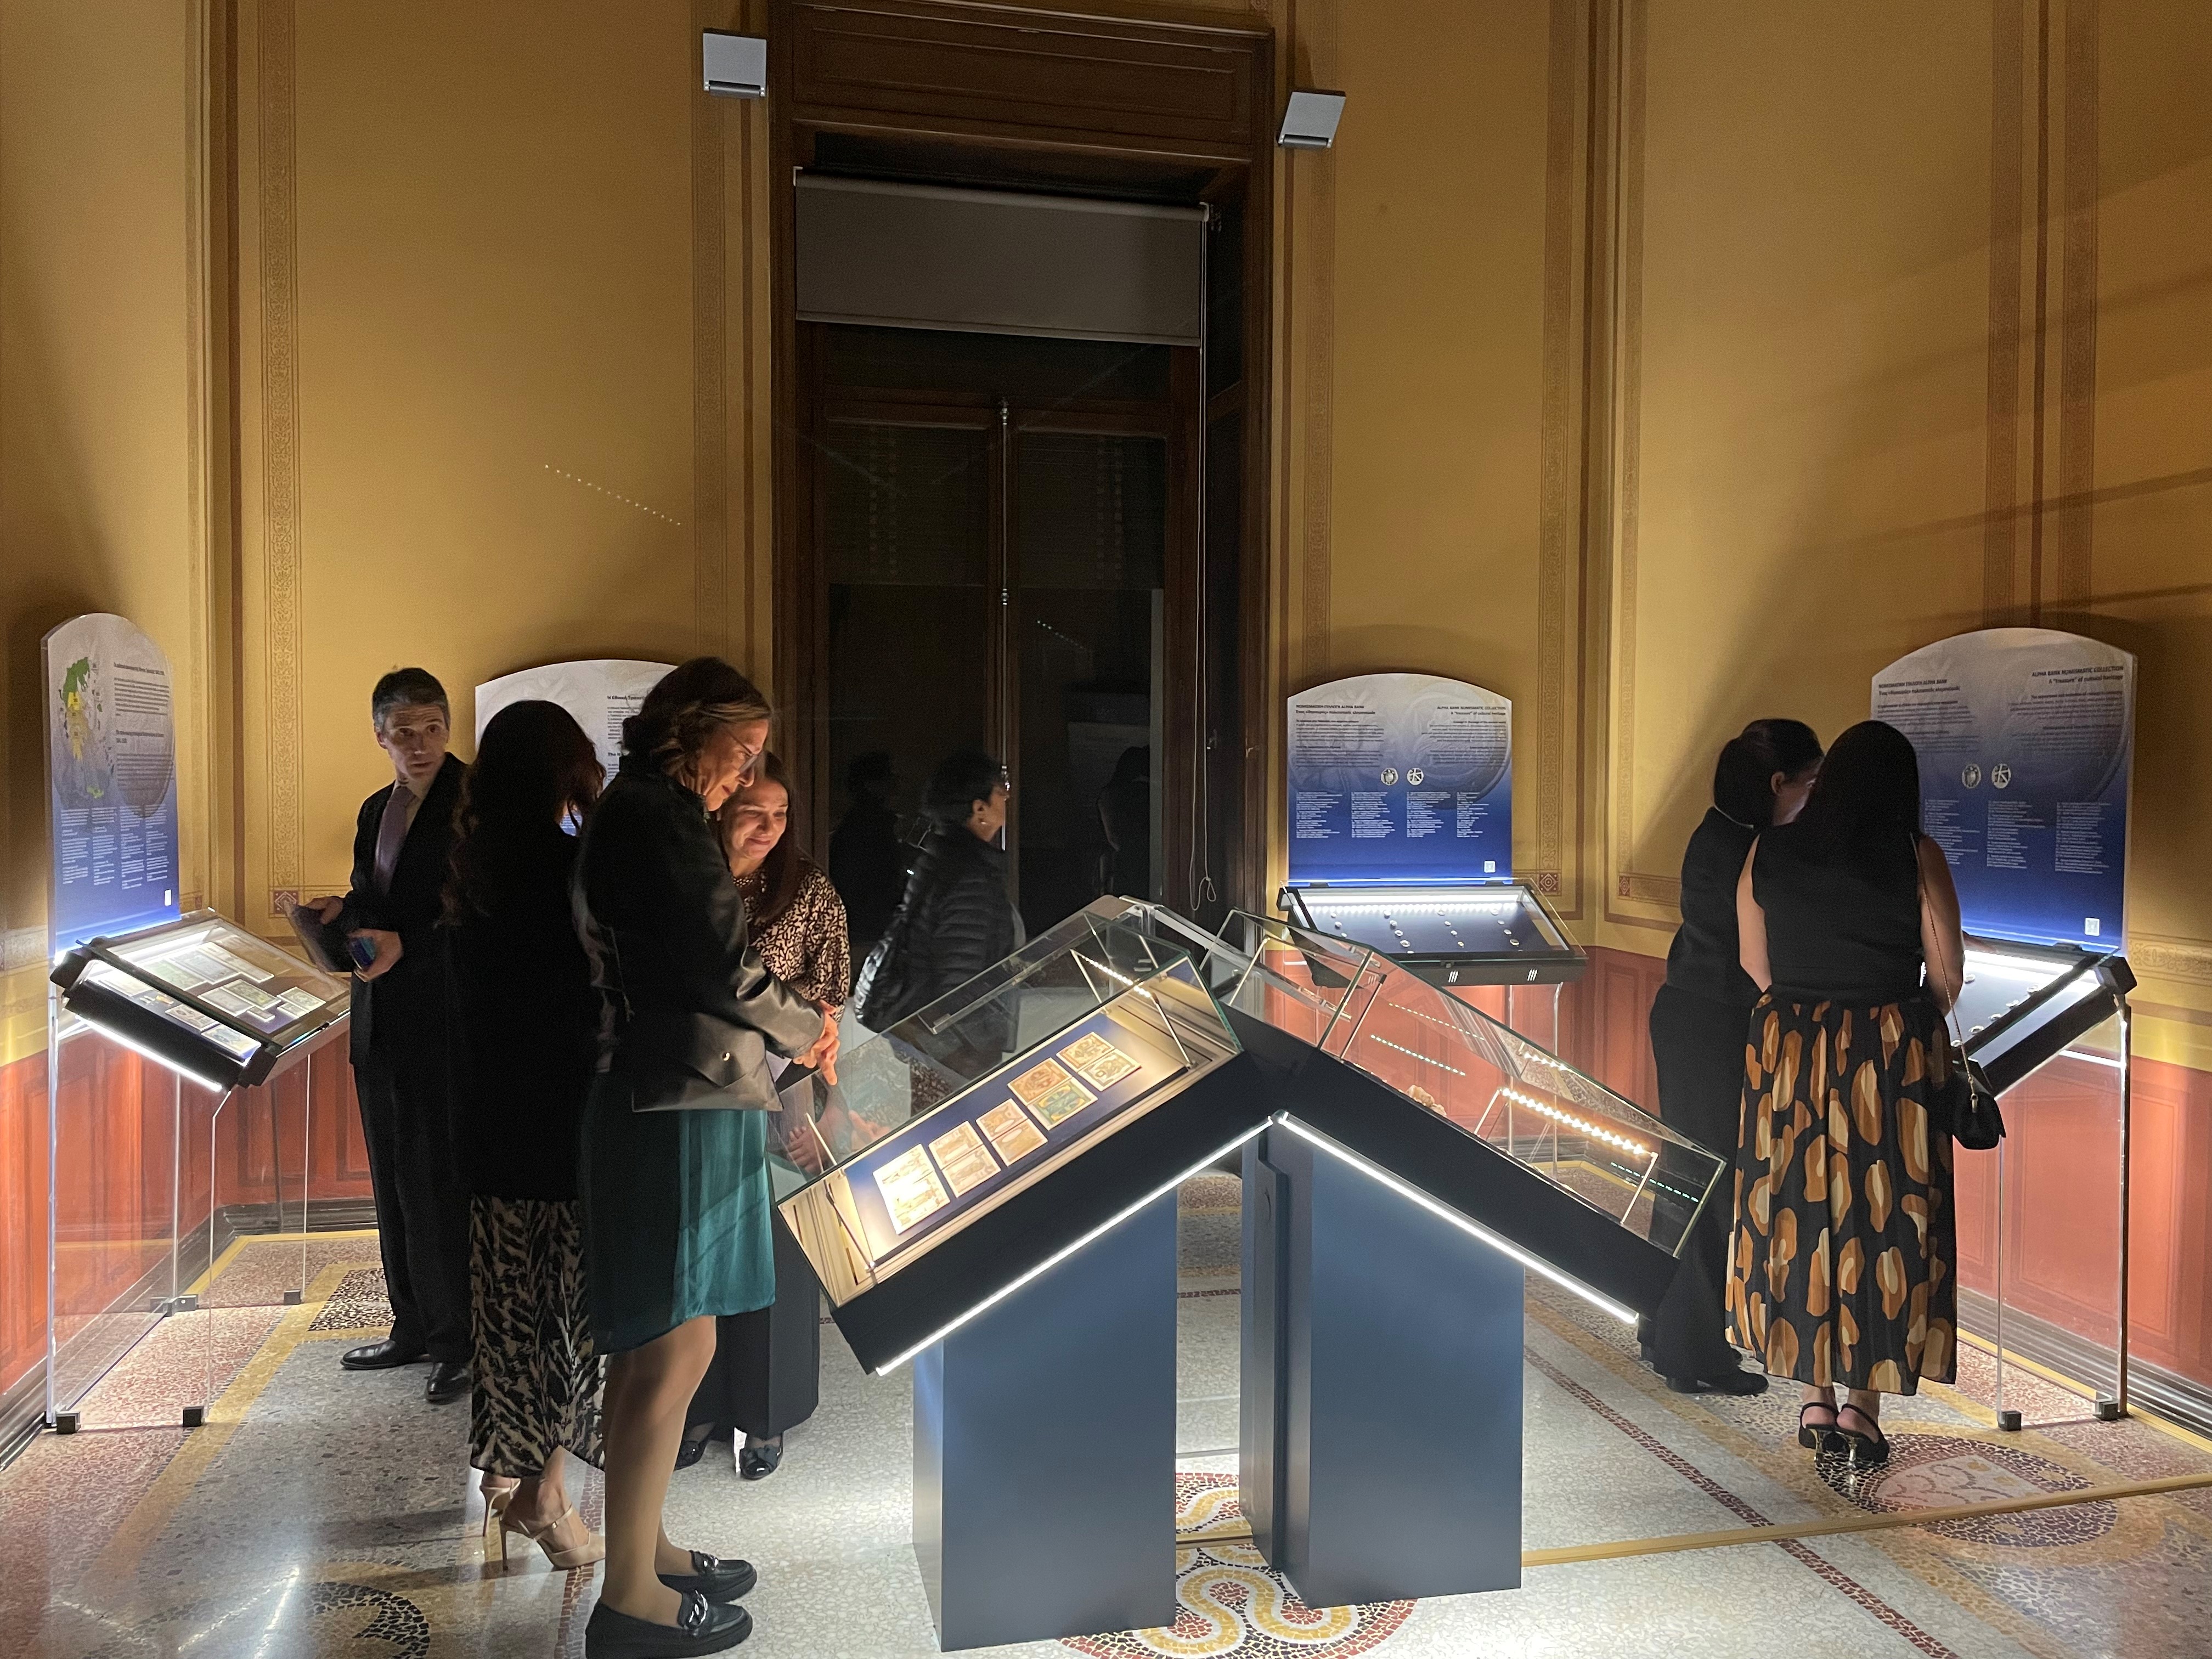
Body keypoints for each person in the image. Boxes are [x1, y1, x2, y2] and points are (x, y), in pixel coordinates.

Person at [574, 658, 840, 1658]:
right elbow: (715, 965)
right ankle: (628, 1595)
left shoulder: (647, 808)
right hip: (675, 1094)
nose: (748, 767)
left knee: (666, 1346)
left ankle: (644, 1548)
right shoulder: (656, 813)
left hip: (681, 1086)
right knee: (671, 1345)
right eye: (741, 746)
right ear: (691, 729)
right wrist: (801, 1022)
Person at [1729, 719, 1963, 1469]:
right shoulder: (1915, 856)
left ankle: (1814, 1397)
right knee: (1884, 1224)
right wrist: (1890, 1009)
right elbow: (1949, 976)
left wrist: (1811, 1017)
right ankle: (1863, 1409)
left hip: (1791, 1058)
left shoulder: (1768, 850)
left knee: (1800, 1213)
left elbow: (1754, 962)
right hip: (1889, 1064)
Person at [444, 700, 607, 1572]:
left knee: (506, 1311)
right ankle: (548, 1497)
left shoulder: (470, 868)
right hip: (564, 1125)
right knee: (572, 1321)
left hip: (489, 1129)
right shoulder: (574, 864)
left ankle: (505, 1481)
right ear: (568, 769)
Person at [1642, 719, 1822, 1395]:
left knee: (1684, 1175)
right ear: (1779, 785)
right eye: (1810, 784)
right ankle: (1693, 1352)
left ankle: (1660, 1323)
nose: (1814, 799)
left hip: (1687, 1015)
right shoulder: (1758, 851)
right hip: (1719, 1025)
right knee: (1713, 1186)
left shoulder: (1713, 831)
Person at [681, 753, 849, 1481]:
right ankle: (696, 1408)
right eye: (753, 811)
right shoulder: (689, 877)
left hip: (785, 1089)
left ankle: (767, 1416)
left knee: (778, 1252)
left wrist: (819, 1080)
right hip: (699, 1088)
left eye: (780, 815)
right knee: (701, 1248)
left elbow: (831, 995)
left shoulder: (806, 888)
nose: (767, 828)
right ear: (720, 807)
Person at [314, 668, 472, 1405]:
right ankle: (410, 1325)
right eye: (403, 733)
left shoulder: (477, 803)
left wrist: (410, 942)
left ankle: (457, 1340)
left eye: (433, 728)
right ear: (379, 736)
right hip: (379, 1025)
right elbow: (370, 902)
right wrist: (334, 918)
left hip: (444, 1024)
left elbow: (482, 913)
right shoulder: (377, 807)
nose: (421, 745)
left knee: (437, 1186)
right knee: (390, 1185)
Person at [854, 749, 1019, 1032]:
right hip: (952, 1042)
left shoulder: (940, 855)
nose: (1006, 799)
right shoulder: (969, 873)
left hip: (927, 1030)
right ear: (979, 808)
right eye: (1000, 793)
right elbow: (959, 975)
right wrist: (971, 1041)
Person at [826, 751, 905, 960]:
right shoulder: (867, 828)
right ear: (871, 784)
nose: (897, 784)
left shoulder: (870, 825)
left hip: (868, 931)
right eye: (890, 777)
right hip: (866, 936)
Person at [1097, 745, 1151, 900]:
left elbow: (1112, 837)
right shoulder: (1145, 792)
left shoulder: (1113, 793)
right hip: (1141, 859)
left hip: (1126, 859)